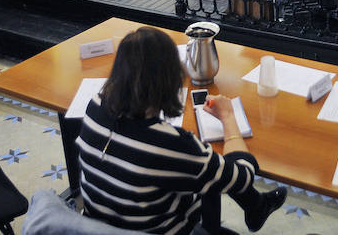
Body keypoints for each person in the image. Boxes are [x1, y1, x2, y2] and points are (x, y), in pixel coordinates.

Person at [76, 26, 287, 235]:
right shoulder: (169, 145)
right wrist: (228, 117)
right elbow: (242, 177)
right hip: (159, 228)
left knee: (204, 169)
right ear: (171, 80)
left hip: (98, 227)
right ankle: (255, 207)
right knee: (209, 173)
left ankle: (256, 206)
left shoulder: (95, 106)